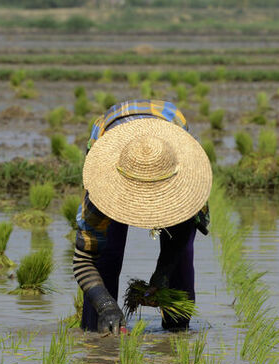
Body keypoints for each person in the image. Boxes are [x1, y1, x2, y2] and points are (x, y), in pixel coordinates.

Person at [74, 100, 212, 334]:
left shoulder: (186, 177)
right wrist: (106, 305)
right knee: (107, 253)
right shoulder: (104, 182)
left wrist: (162, 273)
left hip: (170, 131)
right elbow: (83, 259)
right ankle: (99, 332)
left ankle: (178, 332)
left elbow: (186, 230)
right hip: (110, 136)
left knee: (180, 256)